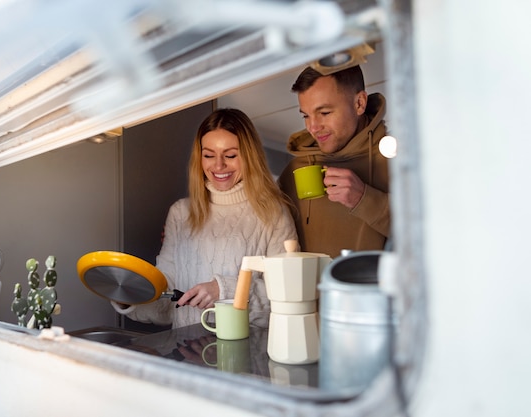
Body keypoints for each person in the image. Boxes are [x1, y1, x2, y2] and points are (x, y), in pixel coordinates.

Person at [112, 108, 299, 328]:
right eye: (209, 155)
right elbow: (169, 299)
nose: (218, 165)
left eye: (230, 155)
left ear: (250, 156)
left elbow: (289, 295)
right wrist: (129, 296)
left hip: (244, 356)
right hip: (185, 351)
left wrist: (224, 290)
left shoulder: (274, 213)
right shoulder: (180, 213)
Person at [278, 65, 390, 258]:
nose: (313, 127)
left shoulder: (398, 161)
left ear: (359, 103)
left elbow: (437, 237)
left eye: (324, 113)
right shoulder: (295, 170)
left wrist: (364, 199)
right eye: (306, 115)